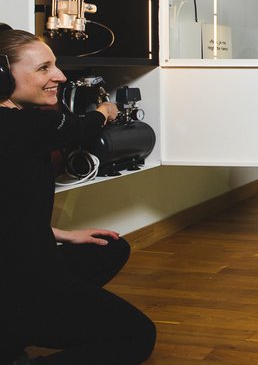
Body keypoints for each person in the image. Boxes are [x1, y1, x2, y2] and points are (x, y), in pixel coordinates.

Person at [0, 24, 156, 363]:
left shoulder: (18, 124)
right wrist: (103, 113)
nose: (60, 76)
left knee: (110, 248)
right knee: (139, 335)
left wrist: (62, 235)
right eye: (43, 68)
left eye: (54, 64)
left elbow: (8, 211)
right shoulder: (26, 126)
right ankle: (19, 325)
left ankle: (12, 331)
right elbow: (78, 128)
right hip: (24, 278)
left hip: (18, 265)